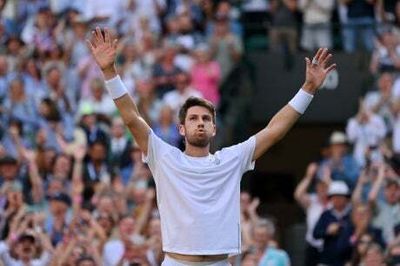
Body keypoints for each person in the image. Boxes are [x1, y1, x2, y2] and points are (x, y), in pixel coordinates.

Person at [87, 27, 336, 266]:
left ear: (214, 129)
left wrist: (308, 89)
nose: (200, 123)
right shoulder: (163, 156)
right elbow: (132, 118)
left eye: (206, 119)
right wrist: (109, 72)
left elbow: (274, 131)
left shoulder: (231, 159)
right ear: (181, 129)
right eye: (193, 118)